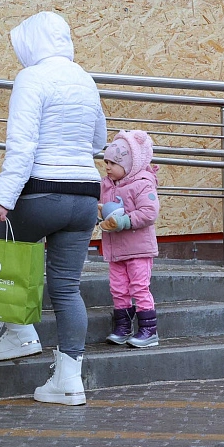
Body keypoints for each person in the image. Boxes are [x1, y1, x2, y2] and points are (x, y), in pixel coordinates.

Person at [0, 11, 106, 406]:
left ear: (33, 42)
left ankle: (20, 334)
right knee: (66, 288)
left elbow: (22, 146)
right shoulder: (85, 80)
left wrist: (3, 199)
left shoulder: (31, 78)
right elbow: (98, 140)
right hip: (85, 195)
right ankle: (69, 381)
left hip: (42, 192)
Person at [99, 130, 160, 348]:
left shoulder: (142, 184)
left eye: (114, 163)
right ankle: (123, 327)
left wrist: (124, 221)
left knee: (139, 288)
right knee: (118, 288)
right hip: (116, 250)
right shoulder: (106, 185)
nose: (108, 167)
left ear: (130, 164)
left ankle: (149, 330)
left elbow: (149, 212)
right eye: (106, 162)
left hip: (139, 249)